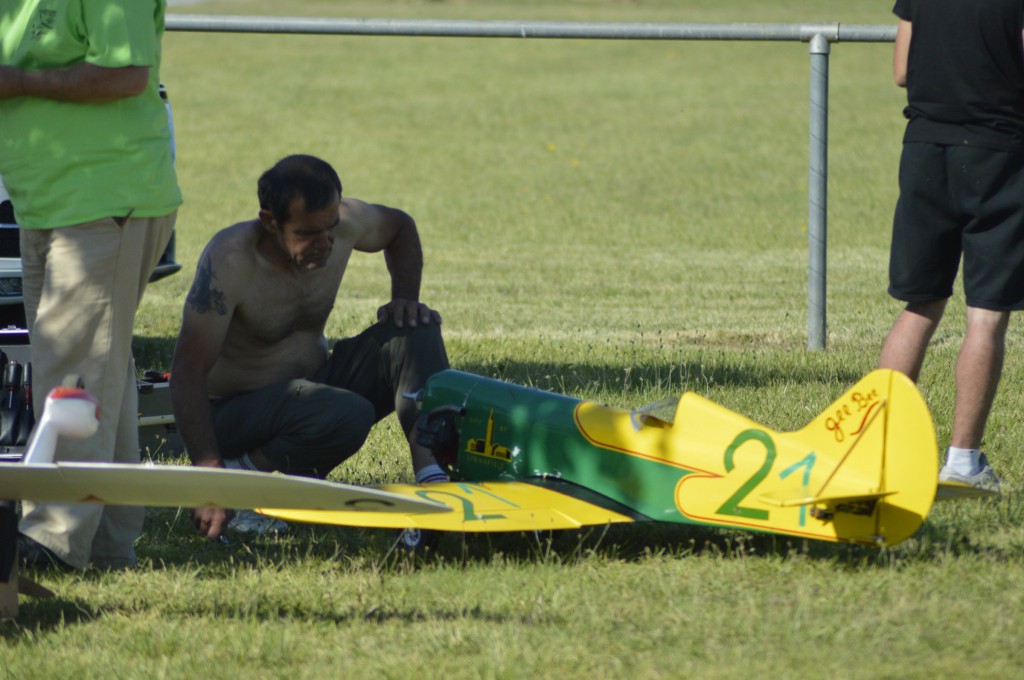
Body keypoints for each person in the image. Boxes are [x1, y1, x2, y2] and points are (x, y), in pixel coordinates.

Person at [170, 154, 450, 540]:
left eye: (330, 228)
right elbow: (186, 374)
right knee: (345, 412)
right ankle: (241, 478)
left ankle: (433, 480)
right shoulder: (230, 260)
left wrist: (405, 297)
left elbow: (399, 227)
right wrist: (208, 474)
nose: (324, 244)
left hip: (313, 390)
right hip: (236, 415)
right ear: (269, 221)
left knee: (417, 329)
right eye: (306, 234)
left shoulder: (343, 225)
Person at [0, 0, 182, 569]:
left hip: (105, 198)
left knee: (71, 368)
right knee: (101, 372)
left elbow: (125, 74)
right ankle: (108, 543)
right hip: (47, 198)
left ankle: (54, 538)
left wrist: (19, 81)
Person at [877, 0, 1024, 492]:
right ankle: (962, 463)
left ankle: (876, 451)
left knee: (921, 304)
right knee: (985, 314)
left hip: (923, 149)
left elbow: (901, 71)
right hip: (999, 152)